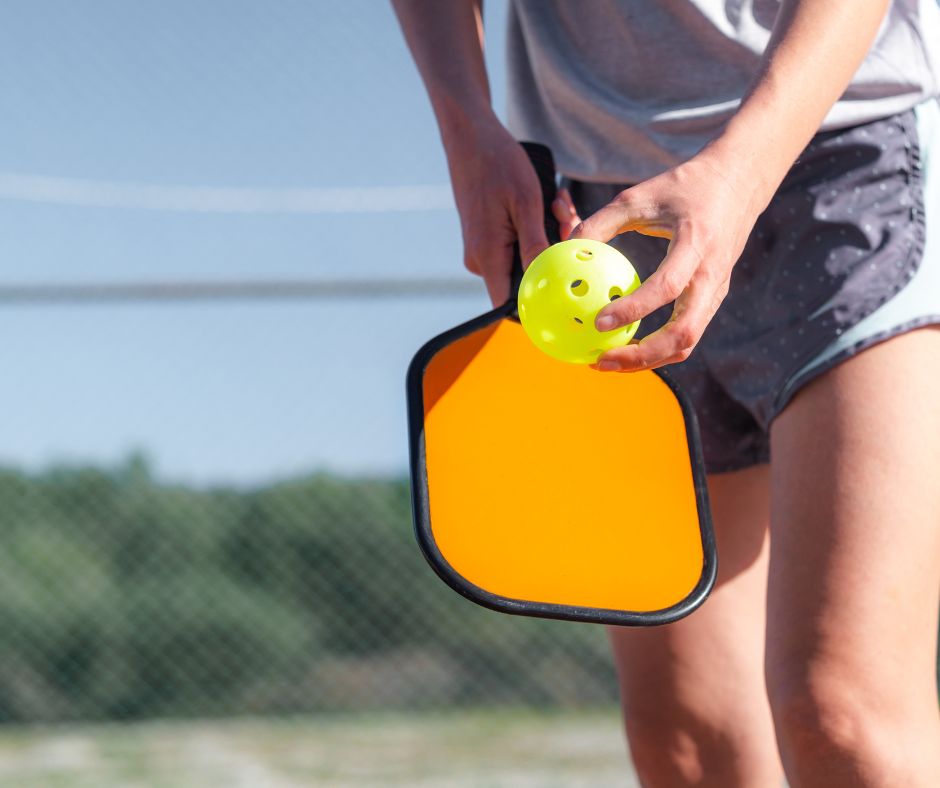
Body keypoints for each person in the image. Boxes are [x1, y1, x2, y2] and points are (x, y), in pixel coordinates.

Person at [391, 1, 940, 785]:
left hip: (847, 159)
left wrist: (740, 172)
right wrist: (465, 126)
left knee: (846, 724)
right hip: (602, 213)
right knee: (688, 745)